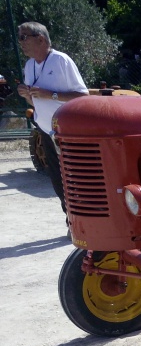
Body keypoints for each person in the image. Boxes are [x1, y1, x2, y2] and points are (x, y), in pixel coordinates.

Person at [16, 21, 88, 215]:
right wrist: (27, 96)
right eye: (19, 37)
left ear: (40, 39)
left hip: (68, 132)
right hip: (46, 131)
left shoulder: (61, 61)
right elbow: (36, 103)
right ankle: (70, 219)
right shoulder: (29, 65)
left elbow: (83, 97)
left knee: (78, 178)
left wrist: (51, 95)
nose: (20, 42)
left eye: (24, 37)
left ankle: (87, 218)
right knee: (58, 180)